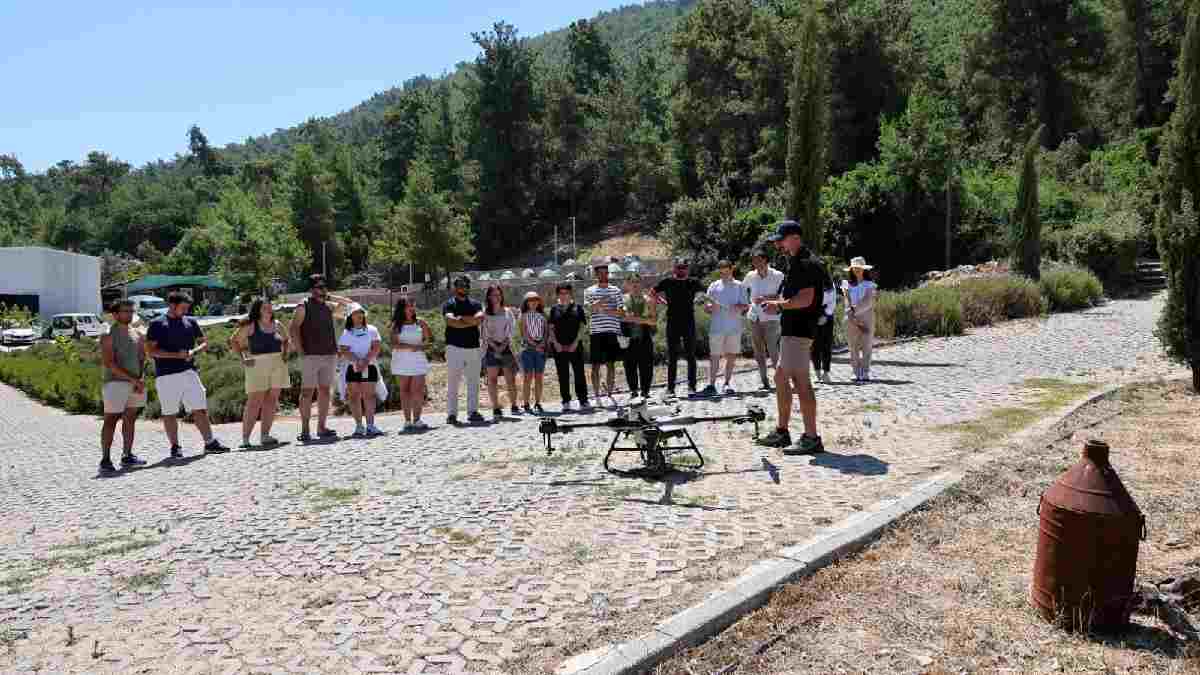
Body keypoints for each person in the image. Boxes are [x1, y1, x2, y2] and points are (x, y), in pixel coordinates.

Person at [759, 220, 825, 454]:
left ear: (795, 237)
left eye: (781, 240)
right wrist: (773, 302)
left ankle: (811, 437)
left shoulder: (806, 263)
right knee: (781, 377)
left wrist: (778, 306)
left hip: (800, 331)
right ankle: (783, 431)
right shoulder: (797, 262)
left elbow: (806, 299)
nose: (778, 245)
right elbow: (793, 297)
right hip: (793, 330)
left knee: (800, 382)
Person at [145, 292, 229, 457]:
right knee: (170, 412)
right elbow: (151, 351)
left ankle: (210, 442)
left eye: (187, 308)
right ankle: (175, 447)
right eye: (182, 307)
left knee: (200, 408)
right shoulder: (157, 324)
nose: (185, 311)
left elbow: (203, 343)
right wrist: (176, 355)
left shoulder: (190, 321)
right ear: (172, 305)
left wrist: (193, 352)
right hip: (166, 375)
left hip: (190, 372)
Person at [289, 275, 353, 442]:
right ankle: (305, 429)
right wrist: (300, 350)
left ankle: (322, 427)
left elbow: (347, 304)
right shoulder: (303, 305)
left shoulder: (328, 305)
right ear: (311, 289)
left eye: (324, 286)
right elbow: (293, 328)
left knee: (325, 391)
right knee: (307, 393)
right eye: (319, 287)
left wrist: (330, 296)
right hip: (310, 355)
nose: (322, 289)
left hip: (329, 354)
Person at [229, 298, 290, 449]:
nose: (269, 310)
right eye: (265, 308)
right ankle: (245, 439)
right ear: (257, 310)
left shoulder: (277, 324)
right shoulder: (250, 325)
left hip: (278, 364)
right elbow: (234, 341)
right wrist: (243, 358)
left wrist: (285, 353)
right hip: (257, 365)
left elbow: (286, 339)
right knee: (254, 402)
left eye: (270, 307)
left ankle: (265, 436)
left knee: (272, 400)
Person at [98, 300, 147, 474]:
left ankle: (127, 455)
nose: (129, 314)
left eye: (131, 311)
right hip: (114, 383)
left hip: (135, 383)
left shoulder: (138, 333)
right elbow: (109, 363)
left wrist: (140, 379)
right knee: (110, 420)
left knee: (130, 418)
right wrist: (133, 380)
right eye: (125, 311)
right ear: (115, 314)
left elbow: (142, 358)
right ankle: (105, 459)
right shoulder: (108, 335)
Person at [653, 258, 704, 398]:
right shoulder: (667, 282)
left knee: (691, 355)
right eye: (679, 267)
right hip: (672, 323)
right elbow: (653, 292)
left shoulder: (693, 282)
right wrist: (663, 302)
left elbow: (703, 293)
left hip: (689, 322)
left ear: (687, 269)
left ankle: (692, 387)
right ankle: (670, 388)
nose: (681, 269)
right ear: (674, 268)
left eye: (684, 267)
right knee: (672, 356)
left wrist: (696, 300)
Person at [443, 275, 486, 425]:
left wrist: (461, 319)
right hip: (454, 347)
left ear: (468, 287)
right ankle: (452, 414)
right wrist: (470, 322)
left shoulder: (476, 304)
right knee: (453, 382)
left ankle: (473, 411)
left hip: (473, 347)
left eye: (465, 285)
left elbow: (479, 319)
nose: (462, 288)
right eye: (459, 285)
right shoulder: (449, 304)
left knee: (473, 382)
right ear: (455, 288)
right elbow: (450, 321)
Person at [338, 303, 383, 437]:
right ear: (350, 316)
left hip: (369, 366)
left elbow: (376, 347)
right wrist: (356, 361)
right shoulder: (346, 332)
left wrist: (365, 361)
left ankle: (370, 425)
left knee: (369, 395)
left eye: (361, 312)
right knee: (354, 396)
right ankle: (359, 426)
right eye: (356, 313)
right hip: (352, 368)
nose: (359, 315)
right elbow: (344, 349)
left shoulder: (372, 330)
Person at [704, 260, 748, 396]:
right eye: (721, 271)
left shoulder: (739, 285)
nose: (723, 274)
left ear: (731, 269)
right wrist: (711, 307)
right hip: (716, 327)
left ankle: (727, 383)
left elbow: (746, 305)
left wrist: (737, 307)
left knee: (731, 356)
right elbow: (706, 307)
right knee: (714, 356)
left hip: (734, 327)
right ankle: (711, 385)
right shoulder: (713, 285)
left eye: (726, 271)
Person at [744, 249, 785, 391]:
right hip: (754, 317)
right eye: (754, 260)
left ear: (766, 260)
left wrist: (766, 298)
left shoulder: (778, 275)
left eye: (759, 260)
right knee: (758, 351)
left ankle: (781, 380)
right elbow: (742, 290)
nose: (756, 263)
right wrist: (745, 304)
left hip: (772, 317)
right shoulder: (750, 275)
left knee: (773, 349)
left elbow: (784, 296)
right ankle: (764, 381)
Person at [585, 258, 625, 404]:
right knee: (595, 365)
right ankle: (596, 396)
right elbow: (589, 309)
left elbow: (621, 312)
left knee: (611, 364)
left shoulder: (616, 290)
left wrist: (604, 309)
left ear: (608, 274)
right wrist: (601, 302)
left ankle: (609, 393)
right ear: (596, 274)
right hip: (596, 332)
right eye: (600, 273)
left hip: (612, 331)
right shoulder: (589, 291)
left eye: (605, 272)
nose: (603, 275)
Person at [390, 297, 432, 431]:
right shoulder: (396, 325)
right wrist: (412, 346)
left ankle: (417, 419)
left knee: (418, 391)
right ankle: (407, 421)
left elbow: (428, 342)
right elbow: (394, 344)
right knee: (405, 391)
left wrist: (421, 347)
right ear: (402, 309)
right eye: (409, 306)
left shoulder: (421, 323)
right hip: (401, 360)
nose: (412, 308)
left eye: (413, 305)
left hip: (418, 360)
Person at [548, 283, 589, 412]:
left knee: (579, 373)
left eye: (566, 293)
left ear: (570, 294)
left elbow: (583, 326)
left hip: (575, 346)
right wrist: (555, 343)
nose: (564, 295)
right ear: (558, 295)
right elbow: (551, 328)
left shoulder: (577, 308)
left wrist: (576, 342)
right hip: (559, 347)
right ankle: (566, 401)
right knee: (562, 374)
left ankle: (583, 400)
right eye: (561, 293)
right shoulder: (554, 309)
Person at [481, 285, 520, 420]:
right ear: (489, 297)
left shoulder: (508, 312)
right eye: (493, 295)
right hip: (490, 348)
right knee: (492, 380)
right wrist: (494, 347)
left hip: (506, 348)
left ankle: (514, 405)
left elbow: (511, 331)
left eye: (498, 294)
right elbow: (484, 332)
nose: (496, 297)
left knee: (510, 379)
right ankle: (496, 407)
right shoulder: (485, 313)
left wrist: (502, 346)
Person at [620, 273, 657, 401]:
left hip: (644, 337)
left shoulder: (648, 300)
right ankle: (634, 391)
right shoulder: (622, 299)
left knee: (646, 366)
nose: (635, 284)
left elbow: (653, 321)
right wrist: (637, 319)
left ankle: (645, 391)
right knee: (629, 366)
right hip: (628, 338)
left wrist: (636, 319)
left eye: (637, 281)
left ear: (641, 283)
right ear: (627, 284)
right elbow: (620, 317)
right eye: (632, 282)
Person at [843, 257, 878, 383]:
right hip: (850, 318)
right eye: (854, 268)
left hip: (866, 317)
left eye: (859, 268)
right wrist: (851, 314)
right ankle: (855, 371)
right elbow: (846, 299)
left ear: (864, 270)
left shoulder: (870, 285)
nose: (857, 270)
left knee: (867, 345)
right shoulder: (846, 284)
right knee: (853, 346)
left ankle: (865, 371)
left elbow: (869, 301)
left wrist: (854, 311)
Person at [518, 291, 548, 414]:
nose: (533, 302)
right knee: (528, 377)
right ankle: (526, 403)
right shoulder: (523, 315)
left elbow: (546, 332)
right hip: (528, 348)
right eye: (530, 300)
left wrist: (542, 343)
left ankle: (538, 402)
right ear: (526, 302)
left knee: (539, 377)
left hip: (540, 348)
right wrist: (535, 346)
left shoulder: (543, 315)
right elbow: (524, 333)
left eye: (536, 300)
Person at [811, 259, 837, 384]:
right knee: (814, 345)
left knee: (826, 345)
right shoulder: (809, 282)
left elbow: (833, 301)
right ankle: (817, 372)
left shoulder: (830, 283)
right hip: (812, 315)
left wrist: (825, 315)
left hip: (827, 315)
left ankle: (826, 372)